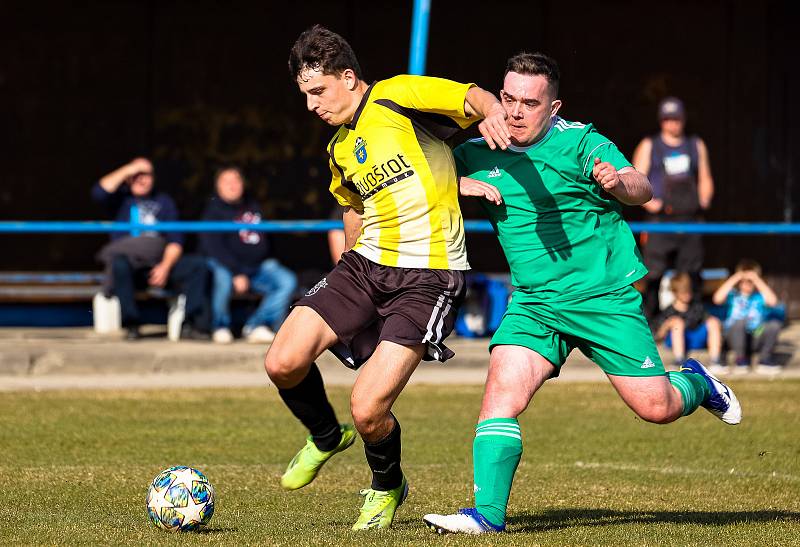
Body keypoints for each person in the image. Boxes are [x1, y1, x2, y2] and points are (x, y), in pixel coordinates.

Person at [422, 53, 741, 535]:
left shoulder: (581, 141)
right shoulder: (477, 149)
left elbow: (643, 187)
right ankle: (485, 515)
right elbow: (421, 177)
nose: (515, 111)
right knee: (500, 395)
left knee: (657, 408)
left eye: (530, 103)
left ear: (554, 107)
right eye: (508, 99)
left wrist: (618, 181)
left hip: (603, 298)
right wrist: (455, 183)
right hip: (535, 302)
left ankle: (697, 383)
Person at [263, 24, 510, 531]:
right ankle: (325, 436)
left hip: (429, 276)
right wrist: (343, 281)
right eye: (304, 94)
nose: (311, 105)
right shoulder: (338, 148)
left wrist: (492, 116)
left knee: (368, 407)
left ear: (349, 77)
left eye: (318, 91)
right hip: (364, 267)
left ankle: (386, 486)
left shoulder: (396, 96)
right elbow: (352, 211)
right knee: (282, 361)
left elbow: (471, 97)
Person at [91, 157, 210, 340]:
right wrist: (129, 168)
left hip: (159, 265)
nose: (141, 179)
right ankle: (131, 325)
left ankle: (191, 325)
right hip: (131, 268)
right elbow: (98, 192)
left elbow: (175, 241)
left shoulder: (164, 202)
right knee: (119, 263)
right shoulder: (121, 199)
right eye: (136, 174)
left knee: (198, 265)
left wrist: (165, 266)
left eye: (146, 174)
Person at [632, 97, 715, 320]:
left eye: (676, 119)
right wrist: (650, 204)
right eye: (668, 119)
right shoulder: (650, 145)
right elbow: (635, 179)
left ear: (683, 119)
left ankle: (692, 318)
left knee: (691, 272)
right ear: (661, 121)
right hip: (660, 220)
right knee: (653, 273)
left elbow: (705, 177)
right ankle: (651, 320)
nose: (673, 124)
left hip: (690, 219)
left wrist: (704, 199)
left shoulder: (695, 144)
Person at [199, 167, 298, 344]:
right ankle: (220, 326)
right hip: (230, 268)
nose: (232, 185)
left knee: (286, 280)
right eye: (226, 181)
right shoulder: (213, 211)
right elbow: (214, 249)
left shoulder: (253, 206)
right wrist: (237, 272)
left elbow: (264, 241)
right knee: (221, 276)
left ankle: (258, 325)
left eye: (236, 180)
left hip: (257, 267)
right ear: (218, 186)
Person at [712, 259, 782, 375]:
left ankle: (764, 360)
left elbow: (773, 302)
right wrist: (736, 277)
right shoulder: (733, 295)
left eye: (751, 281)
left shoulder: (759, 297)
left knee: (774, 325)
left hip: (755, 336)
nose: (748, 283)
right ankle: (740, 360)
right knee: (740, 322)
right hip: (734, 337)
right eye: (744, 281)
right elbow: (717, 299)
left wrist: (757, 279)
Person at [655, 272, 723, 371]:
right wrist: (667, 325)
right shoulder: (668, 311)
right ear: (675, 292)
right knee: (677, 322)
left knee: (714, 321)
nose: (687, 294)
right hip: (674, 341)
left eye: (689, 291)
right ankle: (679, 360)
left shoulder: (697, 307)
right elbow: (658, 336)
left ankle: (715, 360)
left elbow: (711, 323)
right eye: (683, 292)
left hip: (695, 339)